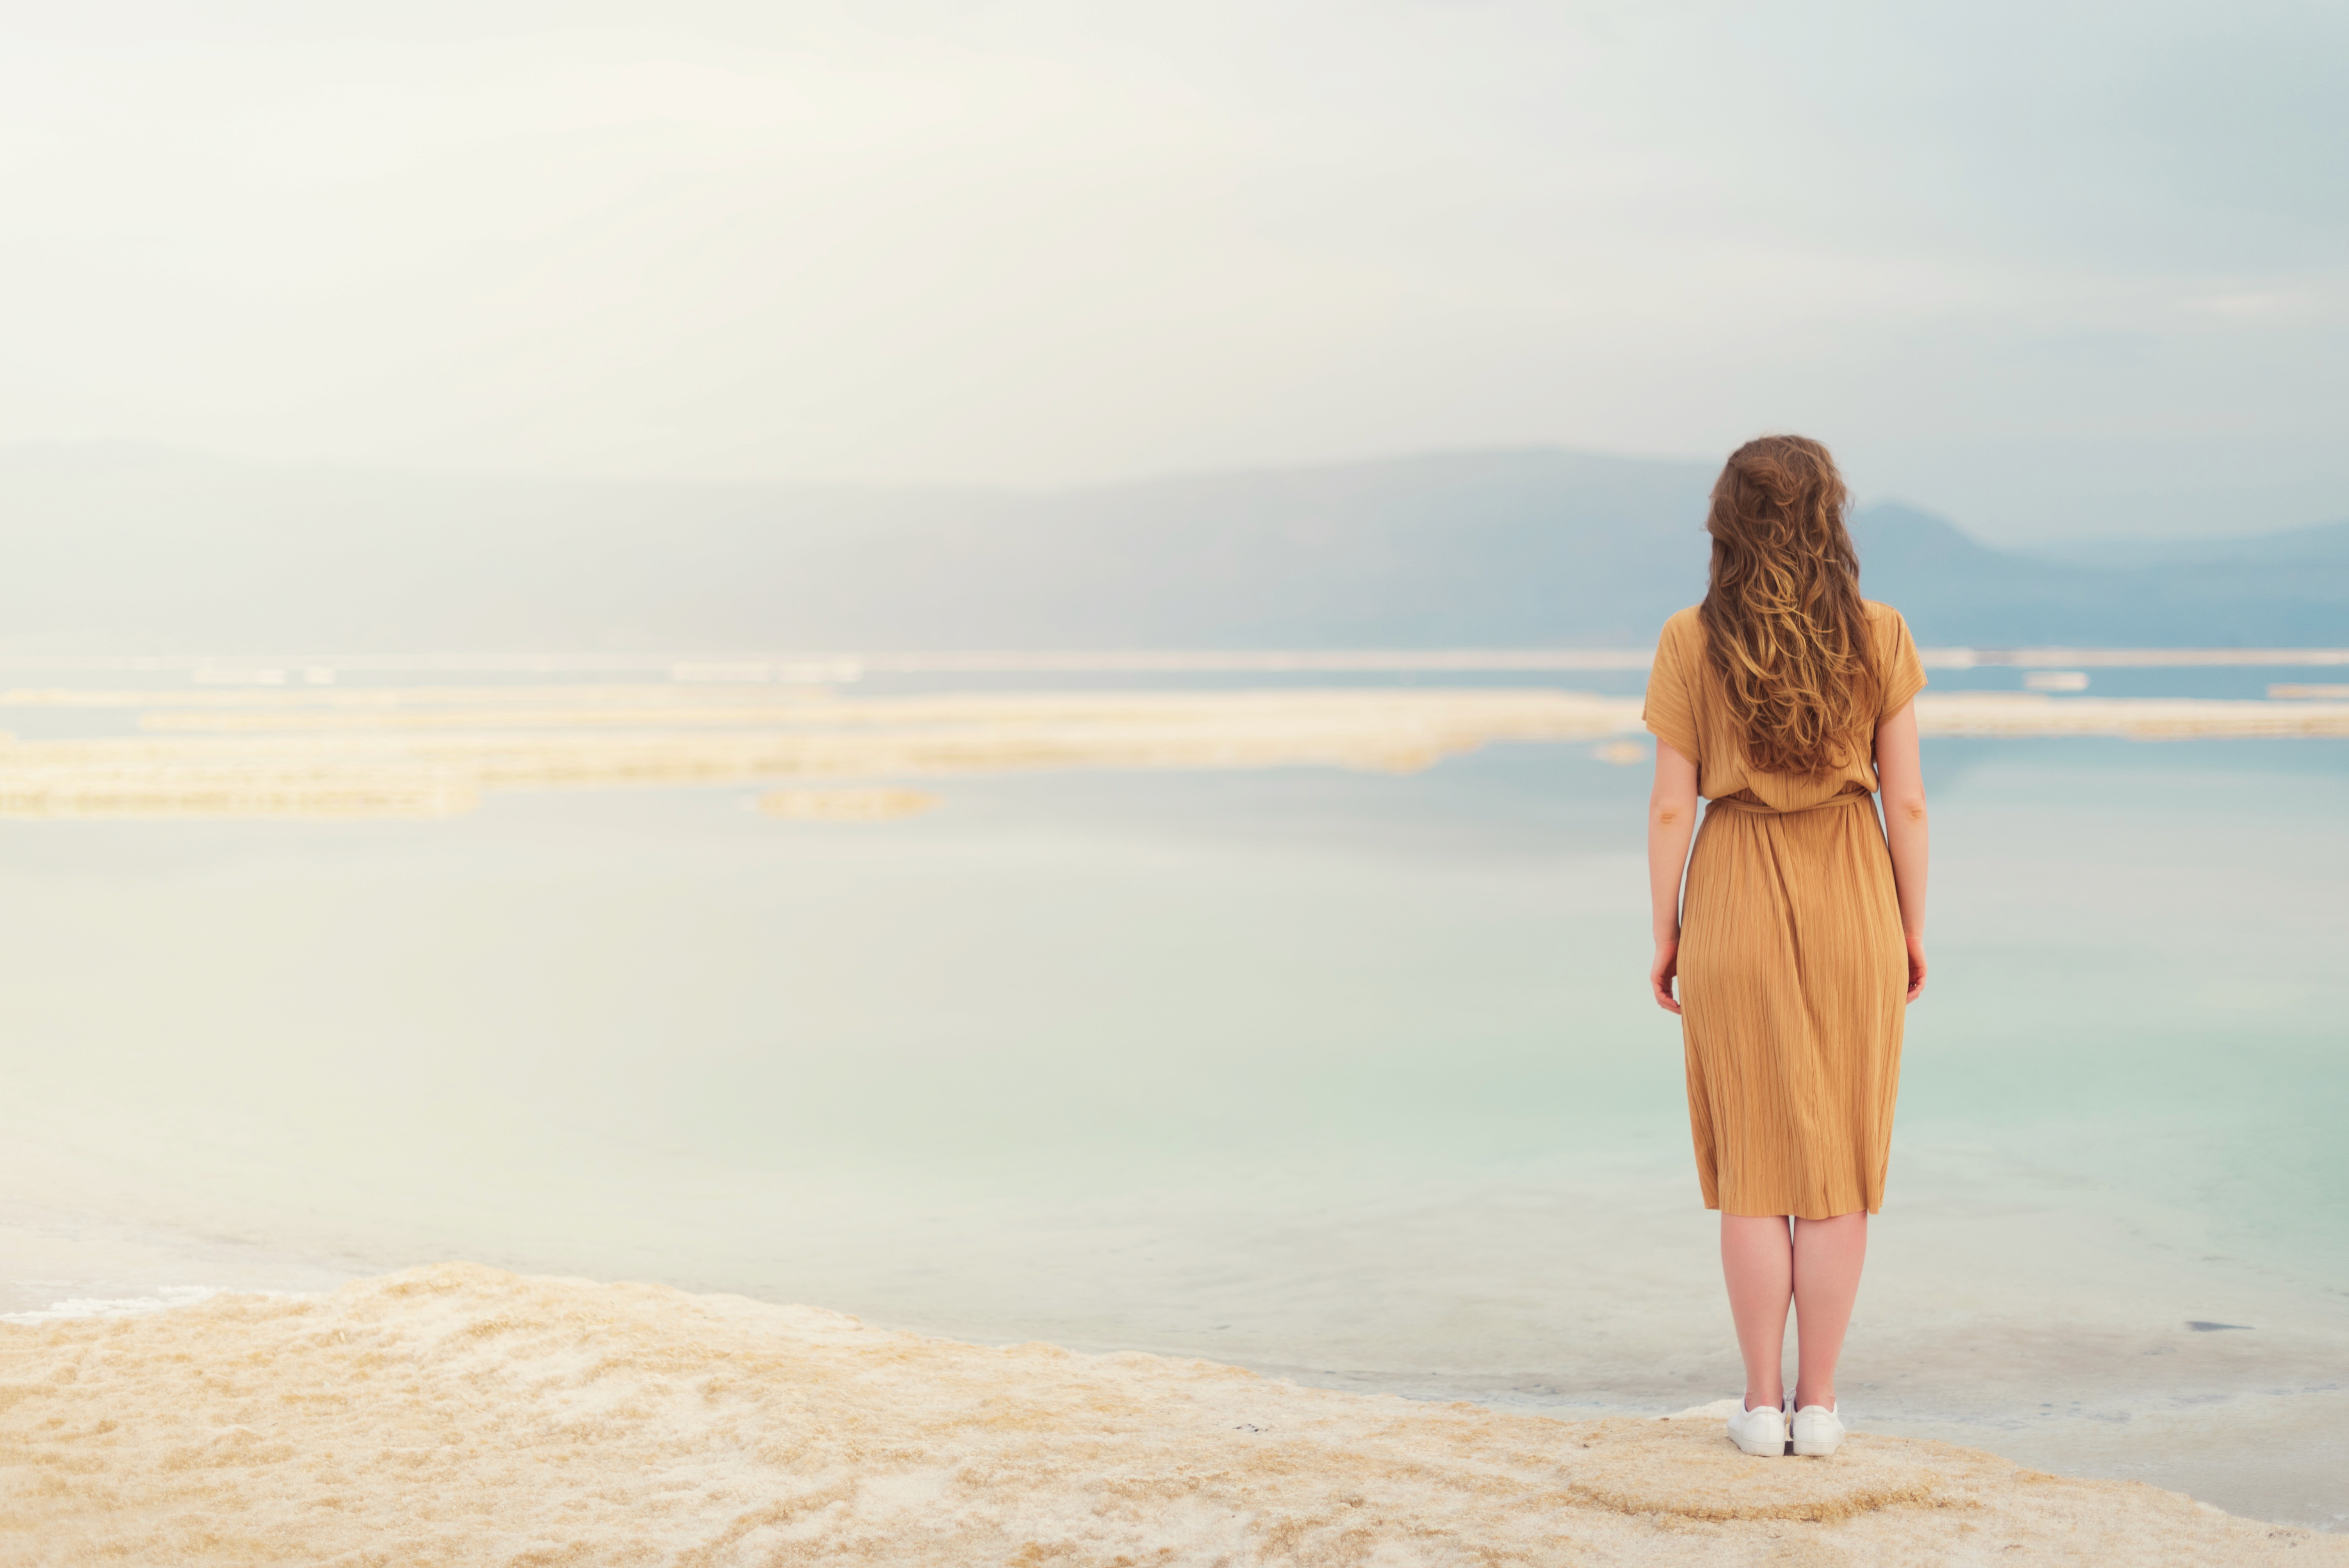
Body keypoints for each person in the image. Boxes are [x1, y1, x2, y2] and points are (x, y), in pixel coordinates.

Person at [1641, 435, 1930, 1460]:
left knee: (1756, 1169)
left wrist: (1668, 930)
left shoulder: (1690, 639)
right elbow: (1908, 803)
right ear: (1829, 519)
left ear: (1727, 523)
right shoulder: (1879, 633)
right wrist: (1910, 927)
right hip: (1855, 893)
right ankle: (1822, 1406)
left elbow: (1671, 808)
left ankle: (1760, 1409)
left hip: (1732, 898)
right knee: (1840, 1165)